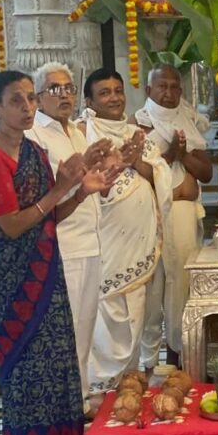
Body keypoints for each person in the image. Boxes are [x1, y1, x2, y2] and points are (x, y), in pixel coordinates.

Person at [0, 69, 116, 435]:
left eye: (31, 98)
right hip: (10, 282)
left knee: (57, 364)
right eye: (16, 101)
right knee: (26, 371)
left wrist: (81, 192)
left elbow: (48, 217)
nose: (27, 107)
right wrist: (62, 186)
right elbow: (13, 224)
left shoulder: (34, 153)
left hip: (45, 273)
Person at [27, 61, 112, 408]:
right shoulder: (35, 136)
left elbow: (85, 184)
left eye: (69, 88)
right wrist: (82, 167)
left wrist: (108, 170)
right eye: (55, 89)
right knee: (68, 328)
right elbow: (46, 191)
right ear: (38, 97)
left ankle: (81, 395)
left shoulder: (75, 132)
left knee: (86, 323)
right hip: (64, 244)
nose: (65, 95)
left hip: (90, 239)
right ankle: (66, 402)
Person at [80, 68, 170, 391]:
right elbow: (83, 188)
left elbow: (159, 176)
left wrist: (134, 162)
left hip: (138, 244)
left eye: (118, 91)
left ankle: (127, 383)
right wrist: (116, 163)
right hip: (105, 243)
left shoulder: (137, 134)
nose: (114, 98)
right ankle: (100, 385)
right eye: (104, 93)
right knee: (106, 313)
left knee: (136, 314)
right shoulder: (82, 134)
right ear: (89, 101)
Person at [134, 65, 213, 370]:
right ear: (148, 90)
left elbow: (205, 172)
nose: (168, 93)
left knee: (181, 284)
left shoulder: (188, 122)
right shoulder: (137, 125)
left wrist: (183, 156)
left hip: (182, 215)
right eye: (161, 87)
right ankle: (148, 363)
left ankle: (179, 357)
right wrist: (170, 156)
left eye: (173, 87)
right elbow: (142, 173)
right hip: (150, 215)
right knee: (152, 289)